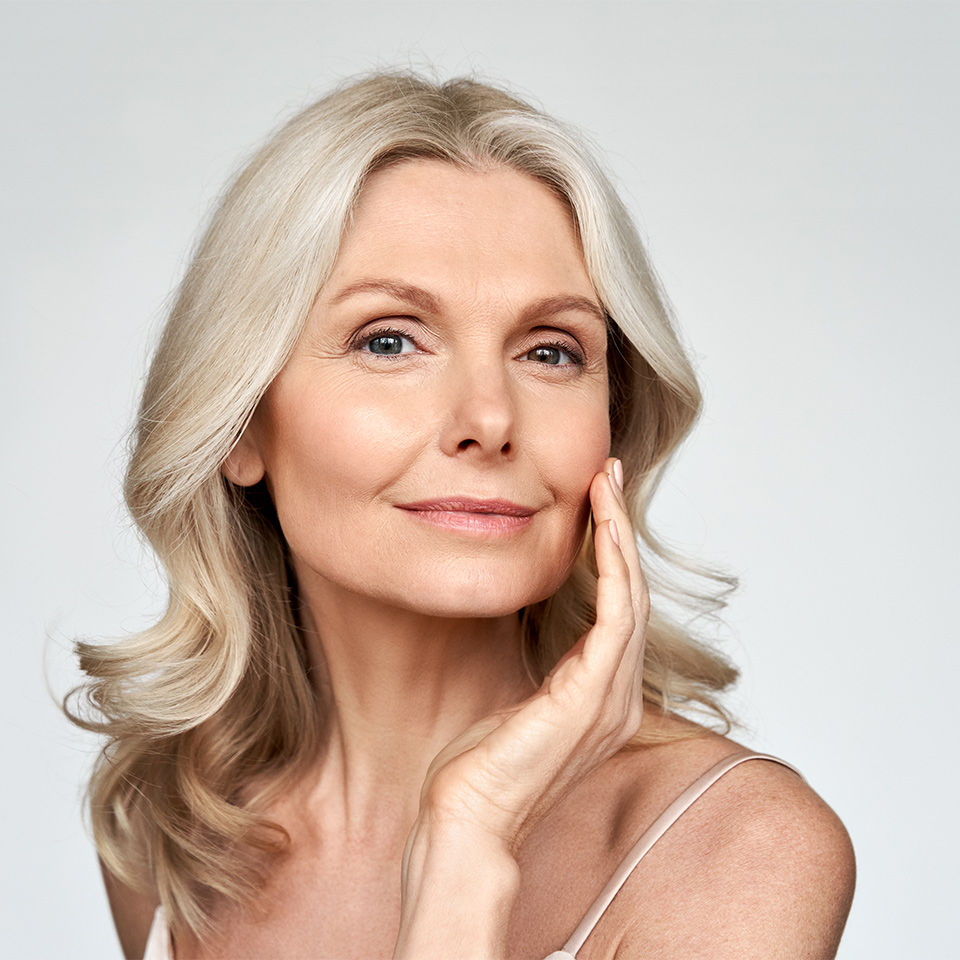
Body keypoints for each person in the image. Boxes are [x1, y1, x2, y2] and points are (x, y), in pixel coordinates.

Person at [69, 72, 855, 959]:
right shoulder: (168, 829)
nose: (489, 418)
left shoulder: (735, 848)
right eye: (390, 339)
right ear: (241, 421)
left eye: (551, 351)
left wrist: (468, 844)